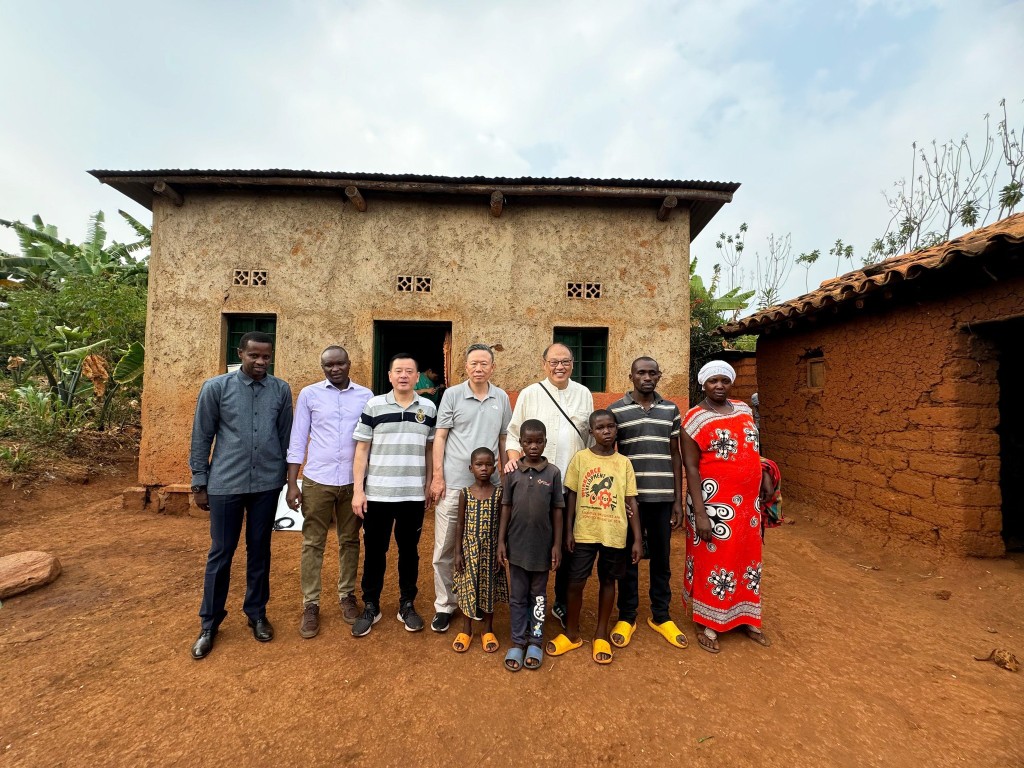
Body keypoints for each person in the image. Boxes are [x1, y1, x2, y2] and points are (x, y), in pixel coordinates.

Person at [188, 331, 293, 660]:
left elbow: (286, 436)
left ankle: (257, 613)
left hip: (266, 484)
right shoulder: (216, 388)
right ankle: (210, 623)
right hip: (225, 484)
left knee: (260, 549)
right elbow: (202, 435)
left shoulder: (280, 389)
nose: (261, 362)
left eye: (266, 357)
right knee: (221, 552)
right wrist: (199, 481)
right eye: (254, 356)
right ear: (240, 354)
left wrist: (289, 481)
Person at [682, 360, 774, 653]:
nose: (719, 386)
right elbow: (692, 468)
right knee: (715, 560)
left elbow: (752, 450)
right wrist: (700, 514)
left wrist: (764, 474)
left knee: (747, 557)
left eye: (724, 380)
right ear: (703, 384)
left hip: (748, 505)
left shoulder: (745, 410)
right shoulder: (694, 420)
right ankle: (710, 622)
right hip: (713, 505)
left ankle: (746, 616)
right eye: (713, 381)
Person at [286, 345, 373, 638]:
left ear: (349, 364)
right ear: (323, 368)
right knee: (313, 543)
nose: (334, 369)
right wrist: (292, 484)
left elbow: (370, 441)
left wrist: (366, 484)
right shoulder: (310, 394)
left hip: (352, 482)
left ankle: (347, 595)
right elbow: (298, 438)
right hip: (317, 480)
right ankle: (311, 603)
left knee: (350, 540)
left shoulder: (366, 396)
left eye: (339, 364)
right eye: (328, 366)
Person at [504, 342, 593, 627]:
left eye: (565, 362)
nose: (559, 367)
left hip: (571, 483)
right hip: (534, 485)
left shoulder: (584, 394)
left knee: (568, 543)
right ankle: (528, 598)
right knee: (533, 538)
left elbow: (589, 440)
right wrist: (513, 464)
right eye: (554, 362)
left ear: (572, 364)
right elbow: (513, 435)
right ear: (544, 364)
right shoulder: (530, 394)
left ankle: (562, 602)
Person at [546, 410, 642, 665]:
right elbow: (572, 495)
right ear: (591, 432)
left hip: (614, 533)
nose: (606, 432)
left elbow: (631, 499)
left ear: (616, 429)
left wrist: (637, 539)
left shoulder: (624, 463)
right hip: (584, 532)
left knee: (608, 581)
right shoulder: (581, 459)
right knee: (575, 583)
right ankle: (572, 633)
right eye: (600, 428)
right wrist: (568, 531)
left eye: (611, 427)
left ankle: (601, 634)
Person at [428, 343, 512, 633]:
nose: (478, 368)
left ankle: (477, 597)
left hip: (489, 490)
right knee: (446, 546)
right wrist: (438, 477)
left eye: (484, 364)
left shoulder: (500, 397)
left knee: (485, 547)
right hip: (453, 484)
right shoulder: (451, 395)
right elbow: (440, 438)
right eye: (473, 364)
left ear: (492, 367)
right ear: (465, 367)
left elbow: (503, 440)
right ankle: (445, 604)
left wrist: (506, 476)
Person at [351, 353, 436, 637]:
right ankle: (371, 605)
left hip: (412, 494)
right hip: (378, 494)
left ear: (416, 377)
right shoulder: (374, 405)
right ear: (389, 376)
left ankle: (406, 604)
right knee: (375, 551)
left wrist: (430, 482)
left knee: (409, 552)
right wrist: (358, 490)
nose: (403, 375)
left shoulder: (428, 407)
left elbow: (429, 448)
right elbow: (361, 450)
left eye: (409, 371)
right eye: (398, 370)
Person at [608, 357, 688, 650]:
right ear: (631, 376)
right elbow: (610, 455)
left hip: (663, 497)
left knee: (662, 559)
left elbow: (675, 453)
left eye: (652, 372)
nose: (647, 377)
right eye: (641, 372)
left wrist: (678, 499)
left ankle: (661, 615)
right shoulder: (616, 410)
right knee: (628, 559)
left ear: (659, 375)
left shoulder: (670, 410)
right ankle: (627, 616)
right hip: (630, 500)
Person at [497, 419, 564, 671]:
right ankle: (517, 640)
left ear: (545, 442)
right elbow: (506, 507)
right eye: (528, 442)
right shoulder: (512, 473)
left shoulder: (553, 473)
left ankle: (535, 640)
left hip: (542, 548)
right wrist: (501, 541)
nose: (533, 446)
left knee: (538, 596)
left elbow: (557, 511)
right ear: (521, 443)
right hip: (516, 547)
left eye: (538, 441)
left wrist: (556, 545)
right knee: (517, 596)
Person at [451, 447, 508, 654]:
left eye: (488, 464)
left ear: (494, 468)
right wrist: (458, 553)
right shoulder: (465, 493)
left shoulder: (499, 493)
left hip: (491, 551)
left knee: (488, 589)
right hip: (469, 551)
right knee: (468, 589)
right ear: (470, 468)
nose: (484, 468)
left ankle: (488, 629)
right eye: (479, 465)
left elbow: (503, 522)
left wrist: (501, 548)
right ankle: (467, 629)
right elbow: (459, 524)